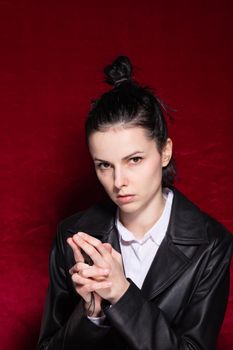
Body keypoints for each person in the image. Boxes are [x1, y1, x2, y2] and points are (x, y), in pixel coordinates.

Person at [38, 56, 233, 350]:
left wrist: (122, 294)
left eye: (134, 160)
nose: (118, 181)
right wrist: (91, 315)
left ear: (164, 152)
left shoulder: (212, 244)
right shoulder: (72, 235)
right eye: (104, 165)